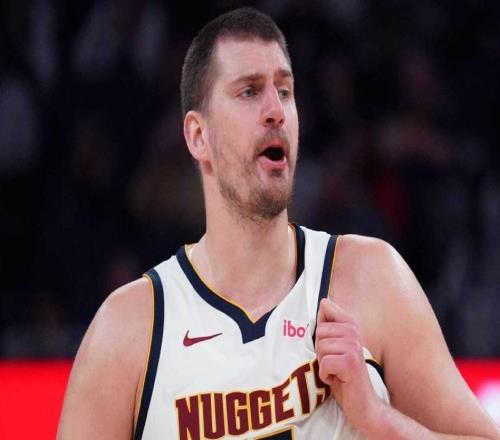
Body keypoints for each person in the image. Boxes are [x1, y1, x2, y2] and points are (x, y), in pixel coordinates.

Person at [58, 7, 500, 440]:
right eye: (249, 91)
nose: (276, 110)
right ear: (198, 135)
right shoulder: (129, 329)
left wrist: (376, 418)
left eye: (285, 91)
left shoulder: (370, 276)